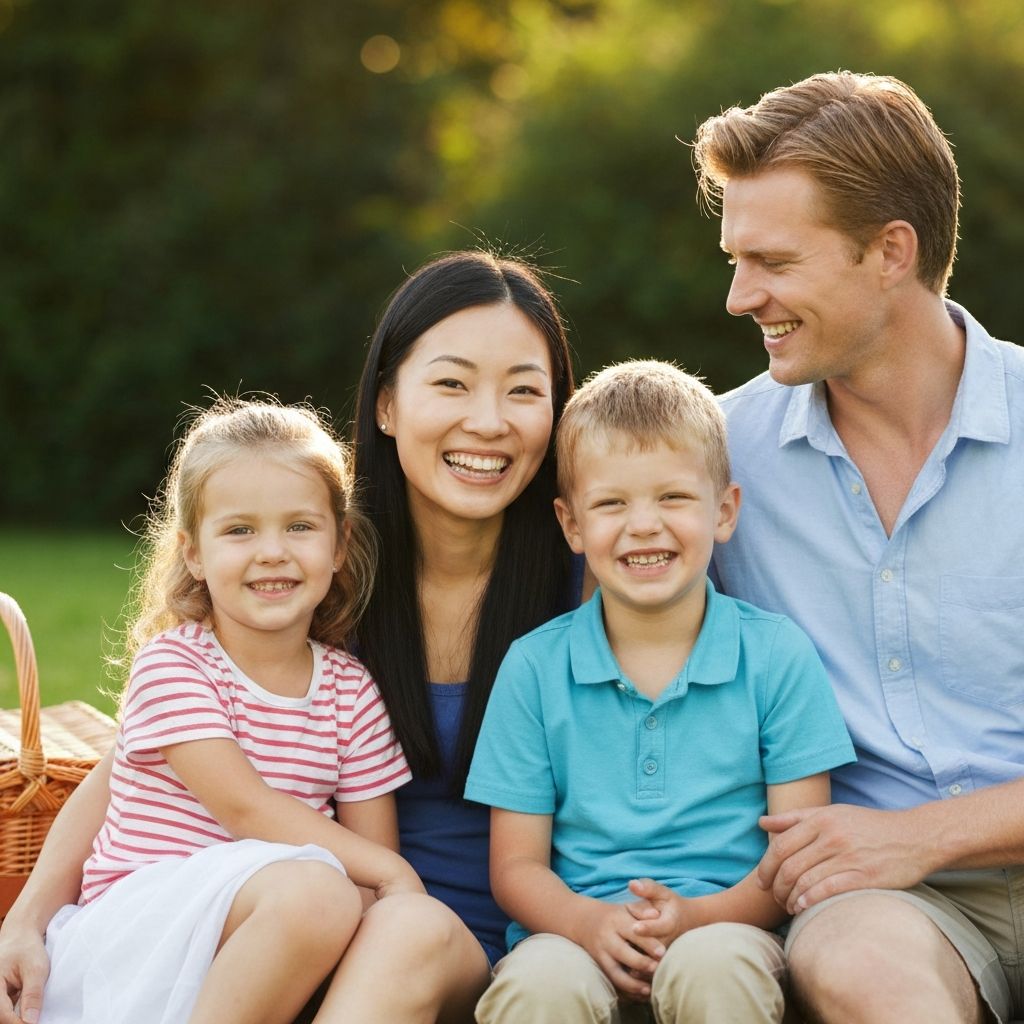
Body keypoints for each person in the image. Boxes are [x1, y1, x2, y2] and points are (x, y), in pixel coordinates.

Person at [0, 250, 578, 1024]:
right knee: (363, 910)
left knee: (398, 922)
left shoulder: (586, 583)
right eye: (451, 382)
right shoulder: (309, 580)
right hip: (304, 934)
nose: (488, 419)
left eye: (523, 391)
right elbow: (136, 764)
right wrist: (29, 916)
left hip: (456, 938)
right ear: (386, 405)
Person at [692, 71, 1024, 1023]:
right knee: (858, 965)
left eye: (774, 262)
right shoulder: (717, 460)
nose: (738, 297)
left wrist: (924, 834)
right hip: (883, 900)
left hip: (912, 847)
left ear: (890, 252)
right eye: (733, 259)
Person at [466, 360, 855, 1024]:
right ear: (572, 525)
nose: (643, 525)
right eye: (612, 503)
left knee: (715, 969)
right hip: (570, 932)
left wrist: (700, 917)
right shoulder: (533, 667)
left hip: (731, 926)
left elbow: (796, 856)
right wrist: (587, 923)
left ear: (724, 510)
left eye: (672, 498)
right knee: (538, 988)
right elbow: (516, 867)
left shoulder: (776, 655)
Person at [34, 397, 423, 1023]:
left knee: (357, 906)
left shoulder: (349, 691)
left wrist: (386, 885)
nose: (272, 551)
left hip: (261, 941)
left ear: (340, 542)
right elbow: (243, 807)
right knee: (321, 893)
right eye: (239, 530)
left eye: (300, 526)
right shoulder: (175, 665)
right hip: (137, 938)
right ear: (193, 553)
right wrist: (392, 873)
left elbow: (368, 854)